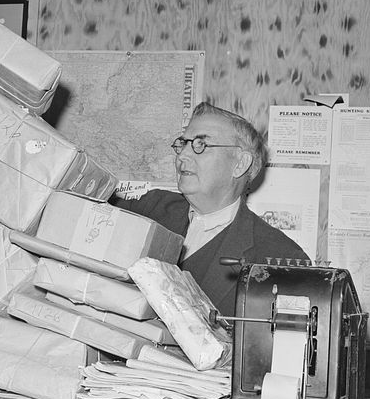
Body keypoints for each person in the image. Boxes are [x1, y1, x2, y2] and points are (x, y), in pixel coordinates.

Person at [114, 102, 310, 318]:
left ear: (240, 164)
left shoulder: (280, 258)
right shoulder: (151, 207)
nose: (182, 156)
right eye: (183, 144)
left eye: (200, 145)